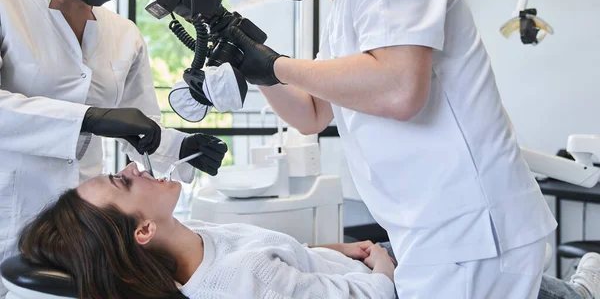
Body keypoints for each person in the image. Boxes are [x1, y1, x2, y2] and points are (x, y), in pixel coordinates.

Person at [213, 0, 559, 297]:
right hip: (431, 234)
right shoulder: (343, 11)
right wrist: (251, 65)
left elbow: (400, 90)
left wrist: (274, 65)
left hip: (473, 229)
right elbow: (311, 114)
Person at [0, 0, 227, 295]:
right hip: (10, 218)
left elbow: (140, 132)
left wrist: (178, 146)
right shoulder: (6, 5)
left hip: (94, 243)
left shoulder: (124, 35)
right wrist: (91, 118)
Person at [17, 162, 600, 299]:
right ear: (142, 231)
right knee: (487, 267)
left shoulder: (192, 241)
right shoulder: (243, 283)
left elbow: (277, 255)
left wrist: (333, 249)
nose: (136, 167)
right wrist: (381, 267)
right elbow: (375, 298)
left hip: (361, 262)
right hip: (391, 283)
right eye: (124, 181)